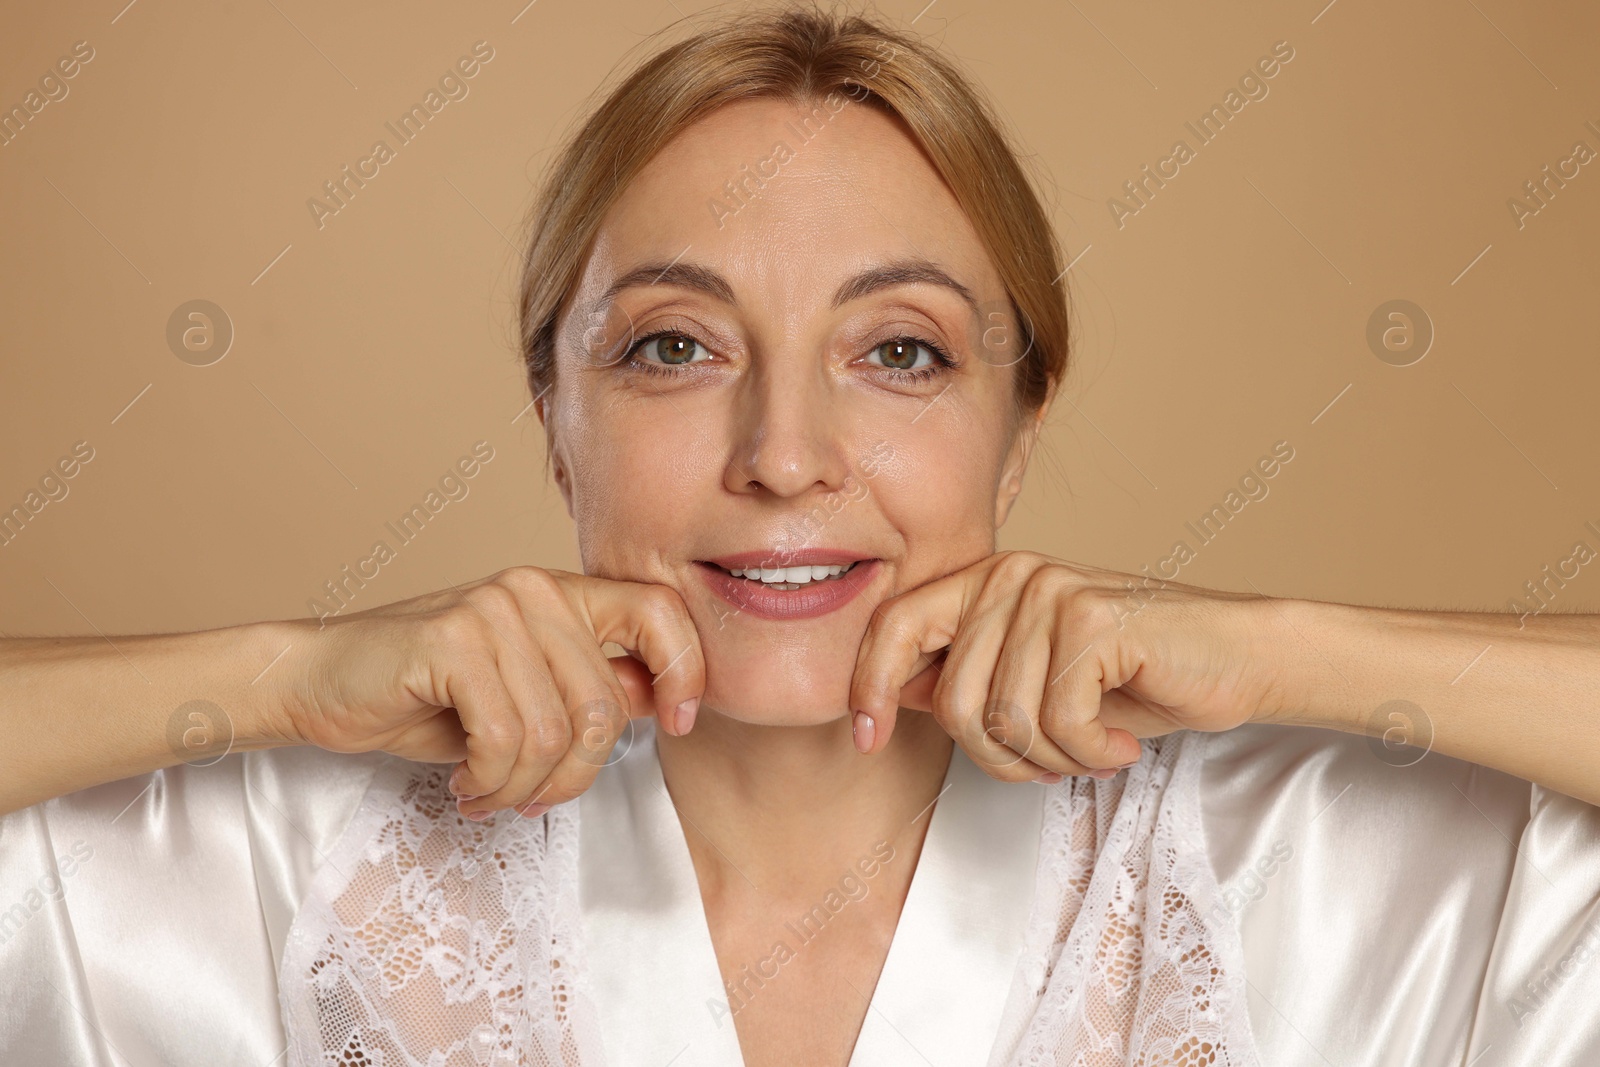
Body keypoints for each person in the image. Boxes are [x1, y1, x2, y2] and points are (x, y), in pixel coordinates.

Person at [3, 6, 1599, 1066]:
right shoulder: (295, 865)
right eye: (671, 349)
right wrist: (283, 676)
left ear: (1021, 419)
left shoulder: (1298, 871)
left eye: (898, 350)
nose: (782, 456)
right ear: (553, 413)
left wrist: (1282, 646)